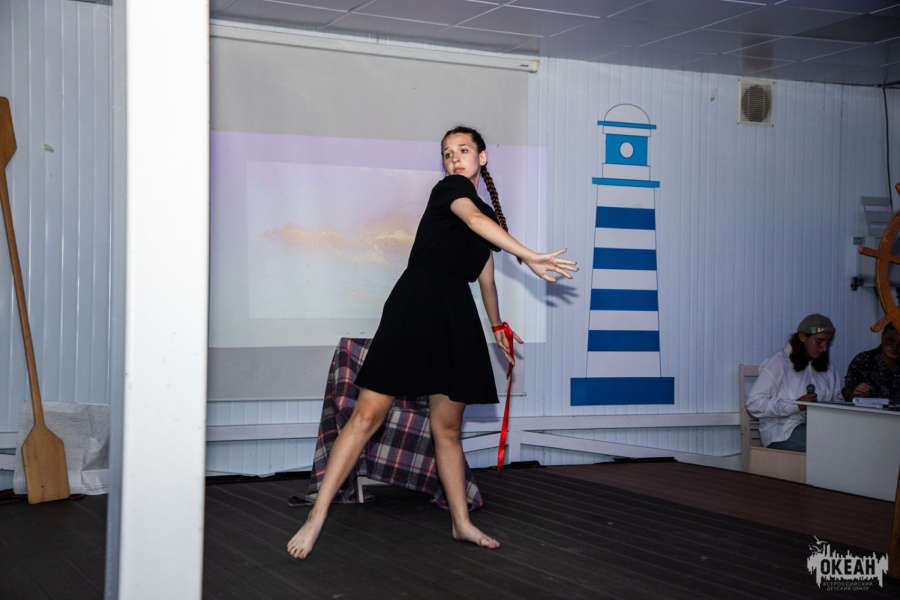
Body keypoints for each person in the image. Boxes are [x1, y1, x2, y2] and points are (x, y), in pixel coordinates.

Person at [286, 125, 578, 560]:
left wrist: (497, 326)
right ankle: (316, 517)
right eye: (447, 153)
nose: (454, 158)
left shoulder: (487, 216)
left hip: (454, 315)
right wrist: (529, 254)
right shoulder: (450, 190)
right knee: (367, 415)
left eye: (463, 150)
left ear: (482, 157)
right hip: (417, 303)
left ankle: (461, 523)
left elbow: (485, 278)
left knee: (448, 429)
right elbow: (473, 220)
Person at [746, 314, 843, 452]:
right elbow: (754, 404)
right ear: (802, 337)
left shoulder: (827, 366)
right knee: (828, 446)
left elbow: (837, 400)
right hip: (782, 431)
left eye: (828, 342)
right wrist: (796, 405)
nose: (824, 348)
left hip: (817, 427)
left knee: (848, 441)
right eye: (819, 341)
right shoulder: (779, 362)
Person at [842, 322, 900, 402]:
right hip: (867, 410)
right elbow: (847, 393)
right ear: (882, 337)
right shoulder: (863, 360)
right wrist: (855, 393)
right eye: (891, 340)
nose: (895, 347)